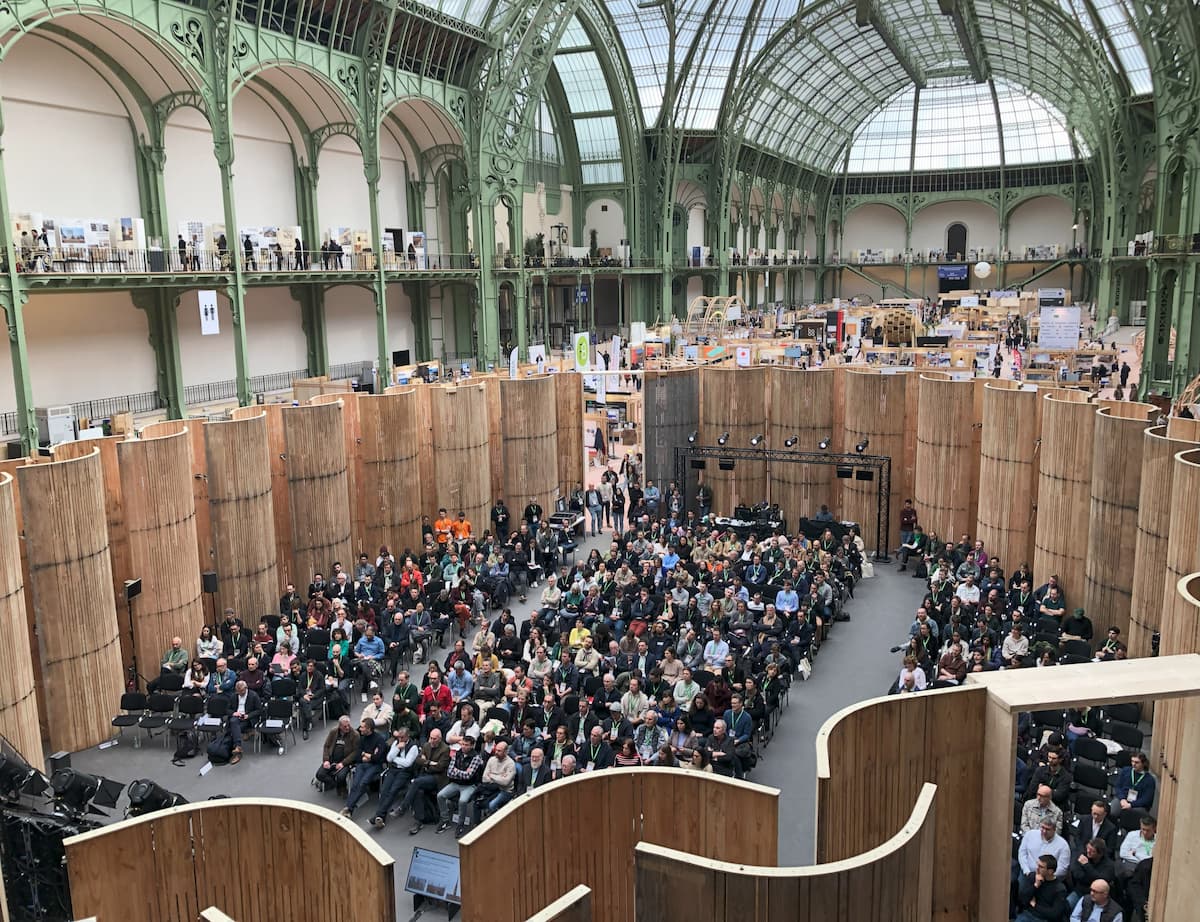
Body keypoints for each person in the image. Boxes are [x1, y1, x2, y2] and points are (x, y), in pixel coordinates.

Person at [437, 734, 485, 837]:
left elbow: (469, 776)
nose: (463, 747)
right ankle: (445, 820)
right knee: (440, 795)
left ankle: (460, 824)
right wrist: (462, 772)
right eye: (462, 744)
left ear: (472, 746)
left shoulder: (476, 758)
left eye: (466, 745)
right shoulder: (457, 754)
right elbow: (449, 772)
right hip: (456, 783)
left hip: (469, 785)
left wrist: (457, 771)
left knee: (462, 801)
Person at [341, 719, 388, 817]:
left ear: (369, 729)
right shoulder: (362, 738)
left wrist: (366, 755)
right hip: (362, 764)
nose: (360, 729)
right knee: (355, 784)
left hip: (375, 766)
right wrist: (368, 755)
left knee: (363, 783)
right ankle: (349, 808)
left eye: (362, 727)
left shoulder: (379, 740)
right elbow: (358, 753)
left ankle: (349, 808)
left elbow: (378, 758)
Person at [1065, 838, 1118, 912]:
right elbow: (1077, 875)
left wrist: (1087, 866)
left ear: (1100, 854)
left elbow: (1101, 882)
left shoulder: (1109, 865)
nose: (1088, 851)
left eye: (1092, 851)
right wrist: (1093, 877)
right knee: (1066, 906)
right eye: (1088, 848)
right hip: (1080, 891)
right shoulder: (1082, 856)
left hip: (1098, 896)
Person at [1015, 855, 1068, 922]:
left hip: (1043, 919)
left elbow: (1054, 914)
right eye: (1037, 865)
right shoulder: (1033, 877)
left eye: (1041, 867)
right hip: (1028, 914)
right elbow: (1022, 900)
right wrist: (1036, 885)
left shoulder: (1059, 889)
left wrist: (1035, 905)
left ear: (1050, 871)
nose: (1037, 868)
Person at [475, 740, 517, 821]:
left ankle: (493, 823)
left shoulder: (510, 764)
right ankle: (476, 824)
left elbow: (505, 782)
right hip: (491, 788)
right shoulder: (491, 759)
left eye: (499, 751)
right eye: (496, 750)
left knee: (491, 805)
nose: (496, 752)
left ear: (506, 752)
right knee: (477, 802)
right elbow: (484, 778)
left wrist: (491, 775)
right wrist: (499, 777)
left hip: (505, 791)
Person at [316, 716, 360, 793]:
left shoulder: (355, 735)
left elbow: (355, 752)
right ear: (340, 726)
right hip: (331, 759)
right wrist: (326, 760)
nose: (347, 728)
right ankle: (334, 784)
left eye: (348, 725)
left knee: (341, 776)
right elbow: (326, 746)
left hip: (345, 762)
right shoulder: (333, 732)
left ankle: (341, 787)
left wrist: (343, 763)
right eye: (345, 726)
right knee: (319, 775)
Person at [226, 680, 261, 764]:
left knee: (233, 728)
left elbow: (259, 710)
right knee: (234, 722)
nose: (240, 693)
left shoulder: (253, 695)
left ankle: (236, 750)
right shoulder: (234, 696)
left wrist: (248, 716)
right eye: (238, 691)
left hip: (248, 719)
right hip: (237, 717)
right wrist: (234, 713)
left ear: (246, 688)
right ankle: (238, 747)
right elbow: (227, 710)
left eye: (241, 691)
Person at [1111, 751, 1156, 815]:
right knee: (1113, 812)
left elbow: (1147, 799)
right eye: (1132, 761)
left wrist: (1131, 805)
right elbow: (1118, 786)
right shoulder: (1126, 770)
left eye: (1136, 762)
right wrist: (1122, 799)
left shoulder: (1150, 780)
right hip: (1123, 799)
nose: (1133, 764)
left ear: (1143, 763)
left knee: (1132, 816)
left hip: (1139, 804)